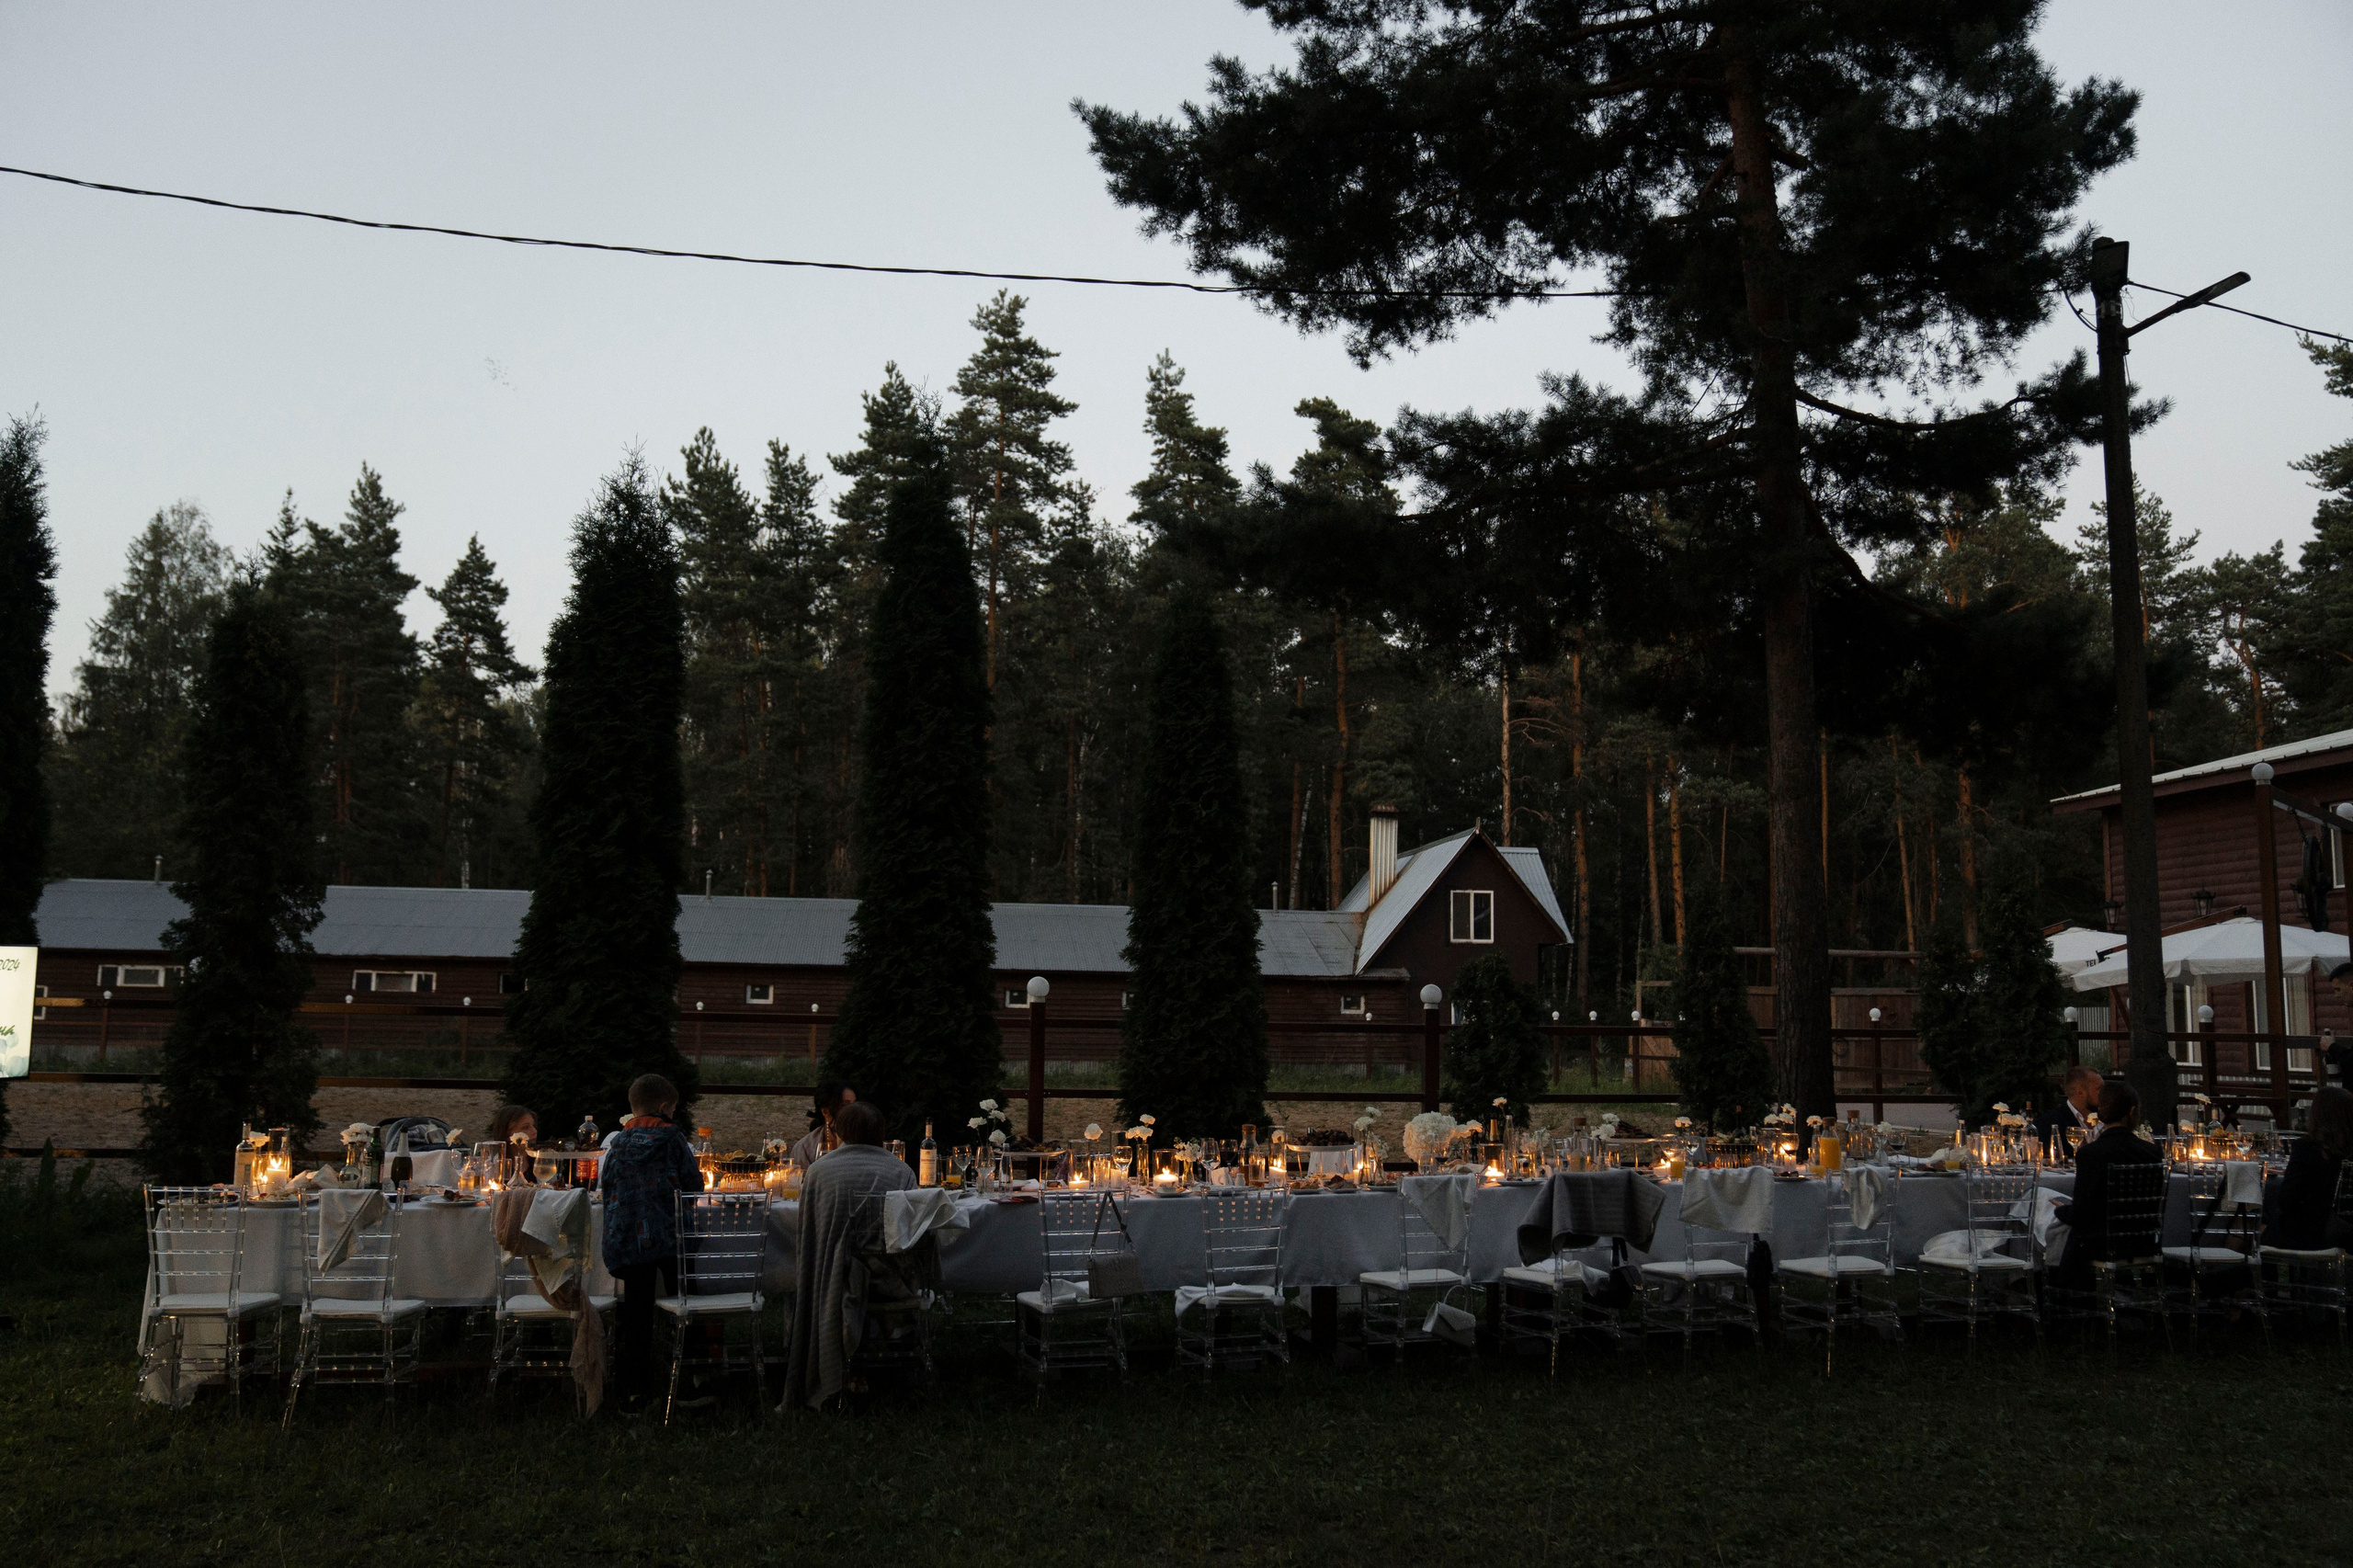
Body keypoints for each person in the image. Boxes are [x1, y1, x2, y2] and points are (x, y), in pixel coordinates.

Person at [783, 1099, 915, 1412]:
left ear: (839, 1132)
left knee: (794, 1283)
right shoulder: (902, 1171)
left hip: (831, 1275)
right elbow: (907, 1233)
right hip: (888, 1277)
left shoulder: (819, 1172)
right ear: (881, 1133)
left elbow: (810, 1235)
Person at [598, 1074, 705, 1413]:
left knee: (636, 1313)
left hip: (628, 1239)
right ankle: (691, 1380)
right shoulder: (672, 1137)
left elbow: (607, 1183)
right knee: (685, 1303)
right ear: (664, 1108)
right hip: (670, 1234)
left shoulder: (617, 1143)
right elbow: (693, 1184)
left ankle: (635, 1391)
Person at [2052, 1079, 2165, 1292]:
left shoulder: (2091, 1153)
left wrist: (2062, 1211)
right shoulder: (2152, 1152)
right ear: (2132, 1112)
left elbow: (2082, 1215)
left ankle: (2057, 1291)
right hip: (2144, 1240)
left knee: (2051, 1225)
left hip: (2101, 1243)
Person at [2263, 1086, 2353, 1252]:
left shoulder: (2308, 1148)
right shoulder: (2347, 1150)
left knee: (2256, 1213)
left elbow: (2287, 1199)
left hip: (2310, 1236)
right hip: (2345, 1232)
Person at [790, 1080, 857, 1169]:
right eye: (845, 1105)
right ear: (825, 1111)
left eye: (855, 1104)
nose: (853, 1110)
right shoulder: (805, 1149)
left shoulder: (868, 1142)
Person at [2036, 1066, 2102, 1149]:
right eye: (2099, 1089)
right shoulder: (2051, 1124)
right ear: (2081, 1093)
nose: (2104, 1093)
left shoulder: (2107, 1118)